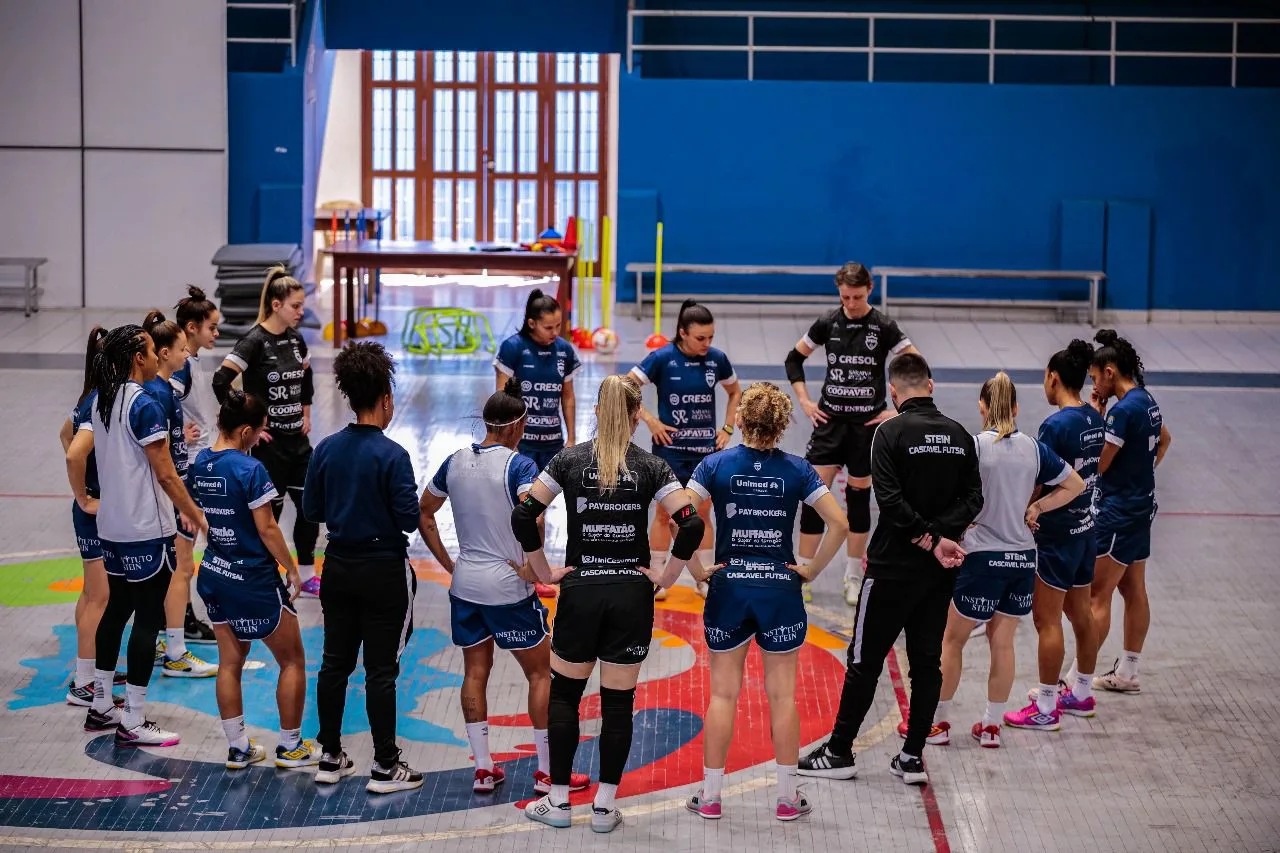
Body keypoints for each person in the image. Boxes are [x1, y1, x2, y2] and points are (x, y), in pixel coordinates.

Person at [512, 375, 704, 834]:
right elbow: (691, 524)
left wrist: (542, 571)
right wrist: (666, 577)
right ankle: (604, 807)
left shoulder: (569, 460)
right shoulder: (652, 466)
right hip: (630, 596)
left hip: (580, 591)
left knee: (565, 697)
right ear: (638, 416)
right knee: (618, 707)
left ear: (597, 411)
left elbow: (523, 515)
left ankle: (558, 802)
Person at [798, 353, 979, 787]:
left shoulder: (889, 432)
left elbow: (892, 503)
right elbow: (974, 499)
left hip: (890, 570)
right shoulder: (960, 434)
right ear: (931, 386)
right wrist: (941, 539)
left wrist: (928, 539)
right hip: (937, 574)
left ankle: (839, 751)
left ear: (893, 393)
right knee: (926, 663)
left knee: (864, 661)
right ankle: (913, 756)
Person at [682, 382, 848, 822]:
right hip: (780, 592)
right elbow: (840, 523)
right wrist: (810, 568)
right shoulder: (798, 469)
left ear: (739, 420)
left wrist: (697, 570)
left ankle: (711, 797)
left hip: (729, 589)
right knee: (782, 698)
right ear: (782, 425)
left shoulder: (714, 464)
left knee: (722, 695)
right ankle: (788, 799)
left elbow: (679, 515)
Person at [418, 379, 590, 796]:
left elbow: (424, 512)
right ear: (519, 426)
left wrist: (448, 563)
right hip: (508, 587)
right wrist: (538, 570)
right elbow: (531, 517)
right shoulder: (521, 466)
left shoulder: (454, 460)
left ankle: (483, 768)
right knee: (541, 674)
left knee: (475, 672)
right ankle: (548, 772)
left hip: (465, 584)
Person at [65, 325, 207, 747]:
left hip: (111, 526)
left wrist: (86, 498)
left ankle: (102, 705)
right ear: (138, 358)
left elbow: (73, 444)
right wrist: (192, 510)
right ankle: (134, 718)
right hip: (147, 528)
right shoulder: (143, 405)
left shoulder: (99, 399)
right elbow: (165, 471)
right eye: (149, 349)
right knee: (148, 620)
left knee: (116, 611)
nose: (155, 355)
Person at [928, 373, 1083, 749]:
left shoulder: (974, 447)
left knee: (951, 640)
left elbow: (950, 496)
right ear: (1016, 408)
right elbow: (1076, 484)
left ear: (982, 407)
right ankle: (992, 726)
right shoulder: (1033, 447)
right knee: (1003, 642)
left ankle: (939, 724)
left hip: (981, 557)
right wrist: (1038, 507)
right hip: (1021, 559)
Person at [302, 342, 424, 794]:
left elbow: (312, 509)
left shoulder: (327, 450)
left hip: (338, 568)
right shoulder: (393, 456)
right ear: (386, 399)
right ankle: (386, 766)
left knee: (334, 664)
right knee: (380, 671)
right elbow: (409, 519)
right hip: (382, 572)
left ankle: (329, 756)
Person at [192, 390, 318, 770]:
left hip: (215, 573)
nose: (262, 437)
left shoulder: (201, 462)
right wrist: (292, 567)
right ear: (246, 431)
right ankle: (291, 746)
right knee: (293, 660)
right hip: (254, 579)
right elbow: (267, 528)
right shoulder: (251, 470)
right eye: (259, 431)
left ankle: (238, 747)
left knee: (230, 661)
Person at [784, 262, 919, 606]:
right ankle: (803, 572)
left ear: (869, 289)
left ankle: (853, 576)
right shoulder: (828, 322)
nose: (852, 303)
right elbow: (793, 360)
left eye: (857, 297)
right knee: (814, 498)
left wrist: (897, 410)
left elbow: (916, 365)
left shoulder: (883, 326)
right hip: (829, 425)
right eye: (845, 297)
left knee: (859, 501)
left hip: (867, 428)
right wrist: (805, 401)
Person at [1005, 341, 1105, 728]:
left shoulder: (1055, 425)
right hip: (1085, 531)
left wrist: (1022, 513)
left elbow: (1037, 478)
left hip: (1056, 536)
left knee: (1047, 621)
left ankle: (1046, 707)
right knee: (1081, 614)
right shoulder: (1095, 418)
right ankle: (1081, 692)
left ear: (1054, 378)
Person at [213, 266, 320, 597]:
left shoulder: (296, 338)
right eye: (296, 306)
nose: (302, 312)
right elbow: (221, 381)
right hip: (269, 449)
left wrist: (306, 411)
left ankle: (306, 573)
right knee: (268, 515)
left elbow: (307, 377)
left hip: (298, 444)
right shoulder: (255, 341)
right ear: (276, 305)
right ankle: (271, 573)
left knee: (310, 507)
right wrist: (251, 424)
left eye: (302, 306)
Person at [629, 299, 741, 600]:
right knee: (666, 515)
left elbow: (735, 392)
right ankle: (657, 578)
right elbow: (626, 387)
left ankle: (704, 578)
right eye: (700, 338)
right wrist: (650, 420)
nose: (707, 343)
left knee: (702, 513)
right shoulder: (662, 358)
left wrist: (727, 428)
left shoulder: (717, 359)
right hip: (670, 453)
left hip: (705, 454)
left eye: (711, 338)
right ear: (682, 333)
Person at [1085, 330, 1171, 694]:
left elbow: (1099, 467)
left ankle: (1077, 681)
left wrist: (1094, 415)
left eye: (1094, 378)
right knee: (1134, 588)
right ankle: (1129, 670)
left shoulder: (1120, 412)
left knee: (1097, 595)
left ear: (1108, 371)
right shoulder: (1145, 400)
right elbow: (1164, 439)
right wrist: (1142, 472)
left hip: (1118, 513)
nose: (1093, 385)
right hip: (1141, 509)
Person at [142, 311, 217, 677]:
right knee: (181, 569)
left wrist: (178, 438)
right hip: (173, 496)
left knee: (177, 569)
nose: (188, 356)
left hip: (177, 490)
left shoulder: (161, 393)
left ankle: (166, 642)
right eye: (182, 350)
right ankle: (175, 651)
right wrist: (186, 505)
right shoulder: (157, 395)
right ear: (165, 352)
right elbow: (158, 461)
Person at [493, 288, 581, 600]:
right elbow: (501, 399)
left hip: (552, 445)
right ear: (531, 323)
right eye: (548, 327)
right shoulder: (513, 348)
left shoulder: (565, 351)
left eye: (558, 326)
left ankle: (534, 571)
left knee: (539, 513)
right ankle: (519, 570)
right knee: (527, 513)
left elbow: (567, 397)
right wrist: (507, 444)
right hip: (522, 447)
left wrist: (571, 438)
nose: (554, 333)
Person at [58, 326, 124, 706]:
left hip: (92, 512)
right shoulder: (100, 400)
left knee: (91, 594)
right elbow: (73, 451)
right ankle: (84, 684)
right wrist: (85, 495)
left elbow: (63, 433)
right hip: (94, 512)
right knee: (100, 597)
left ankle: (90, 670)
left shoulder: (89, 395)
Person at [169, 285, 222, 644]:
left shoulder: (193, 362)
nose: (216, 333)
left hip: (193, 470)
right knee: (182, 561)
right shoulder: (180, 368)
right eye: (211, 328)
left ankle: (176, 622)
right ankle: (176, 627)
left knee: (183, 559)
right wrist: (176, 434)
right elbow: (158, 401)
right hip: (183, 474)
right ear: (191, 328)